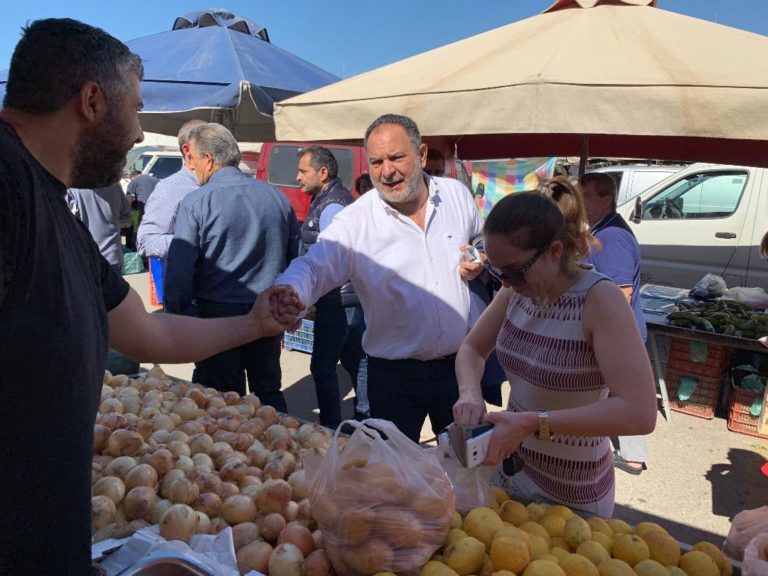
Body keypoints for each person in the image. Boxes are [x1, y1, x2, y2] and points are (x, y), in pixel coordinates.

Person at [0, 19, 301, 574]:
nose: (140, 133)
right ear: (92, 101)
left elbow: (148, 331)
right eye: (135, 109)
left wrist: (255, 324)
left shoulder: (52, 205)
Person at [275, 113, 484, 442]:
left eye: (397, 157)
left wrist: (479, 255)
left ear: (422, 155)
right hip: (393, 377)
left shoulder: (456, 195)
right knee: (394, 475)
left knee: (465, 465)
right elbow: (314, 266)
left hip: (460, 369)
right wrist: (290, 291)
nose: (387, 171)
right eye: (376, 162)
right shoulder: (356, 220)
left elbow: (480, 237)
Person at [452, 186, 656, 516]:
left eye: (515, 271)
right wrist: (470, 395)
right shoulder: (518, 290)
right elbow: (473, 348)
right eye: (498, 271)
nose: (506, 282)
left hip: (574, 492)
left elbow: (639, 412)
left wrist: (533, 423)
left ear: (555, 251)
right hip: (511, 474)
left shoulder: (599, 300)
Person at [165, 122, 300, 410]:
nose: (193, 169)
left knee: (222, 399)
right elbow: (294, 258)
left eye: (195, 161)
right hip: (267, 311)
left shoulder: (197, 202)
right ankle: (281, 451)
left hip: (216, 318)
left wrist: (178, 316)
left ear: (209, 160)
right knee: (268, 391)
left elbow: (180, 270)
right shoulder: (277, 198)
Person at [580, 171, 650, 475]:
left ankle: (633, 457)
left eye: (586, 195)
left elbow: (621, 294)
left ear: (606, 198)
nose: (580, 201)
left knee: (623, 393)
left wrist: (604, 335)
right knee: (615, 392)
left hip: (619, 336)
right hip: (616, 335)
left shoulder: (612, 237)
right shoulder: (601, 231)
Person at [295, 145, 366, 427]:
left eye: (303, 171)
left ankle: (331, 426)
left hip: (338, 300)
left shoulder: (333, 206)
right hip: (347, 299)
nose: (297, 176)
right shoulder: (329, 199)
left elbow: (331, 257)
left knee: (323, 366)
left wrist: (310, 297)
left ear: (322, 173)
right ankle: (365, 417)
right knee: (356, 360)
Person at [137, 119, 205, 304]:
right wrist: (196, 243)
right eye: (208, 142)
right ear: (187, 150)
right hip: (187, 301)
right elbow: (147, 241)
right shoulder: (171, 189)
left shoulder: (215, 185)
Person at [67, 183, 132, 274]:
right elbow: (127, 222)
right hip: (113, 256)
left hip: (85, 258)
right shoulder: (115, 186)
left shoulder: (71, 188)